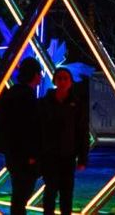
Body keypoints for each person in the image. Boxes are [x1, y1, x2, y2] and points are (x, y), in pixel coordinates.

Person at [38, 67, 89, 215]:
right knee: (50, 191)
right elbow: (38, 129)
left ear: (71, 82)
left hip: (68, 155)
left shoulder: (77, 104)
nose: (62, 81)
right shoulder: (44, 103)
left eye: (65, 78)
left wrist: (82, 158)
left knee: (67, 193)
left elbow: (81, 132)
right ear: (54, 80)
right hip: (49, 154)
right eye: (59, 78)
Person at [3, 57, 43, 215]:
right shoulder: (26, 97)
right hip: (24, 156)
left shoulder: (14, 93)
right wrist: (32, 155)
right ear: (34, 75)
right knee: (22, 195)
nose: (41, 76)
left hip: (13, 153)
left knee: (18, 194)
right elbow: (28, 128)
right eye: (39, 73)